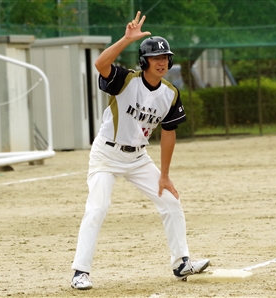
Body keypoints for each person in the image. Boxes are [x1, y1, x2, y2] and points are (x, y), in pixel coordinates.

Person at [70, 11, 210, 290]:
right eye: (156, 58)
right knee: (97, 208)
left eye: (165, 58)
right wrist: (126, 38)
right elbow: (100, 63)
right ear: (145, 61)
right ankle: (79, 272)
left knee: (170, 201)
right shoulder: (125, 79)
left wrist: (165, 176)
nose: (162, 62)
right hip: (106, 155)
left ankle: (181, 261)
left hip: (138, 158)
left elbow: (169, 133)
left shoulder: (170, 92)